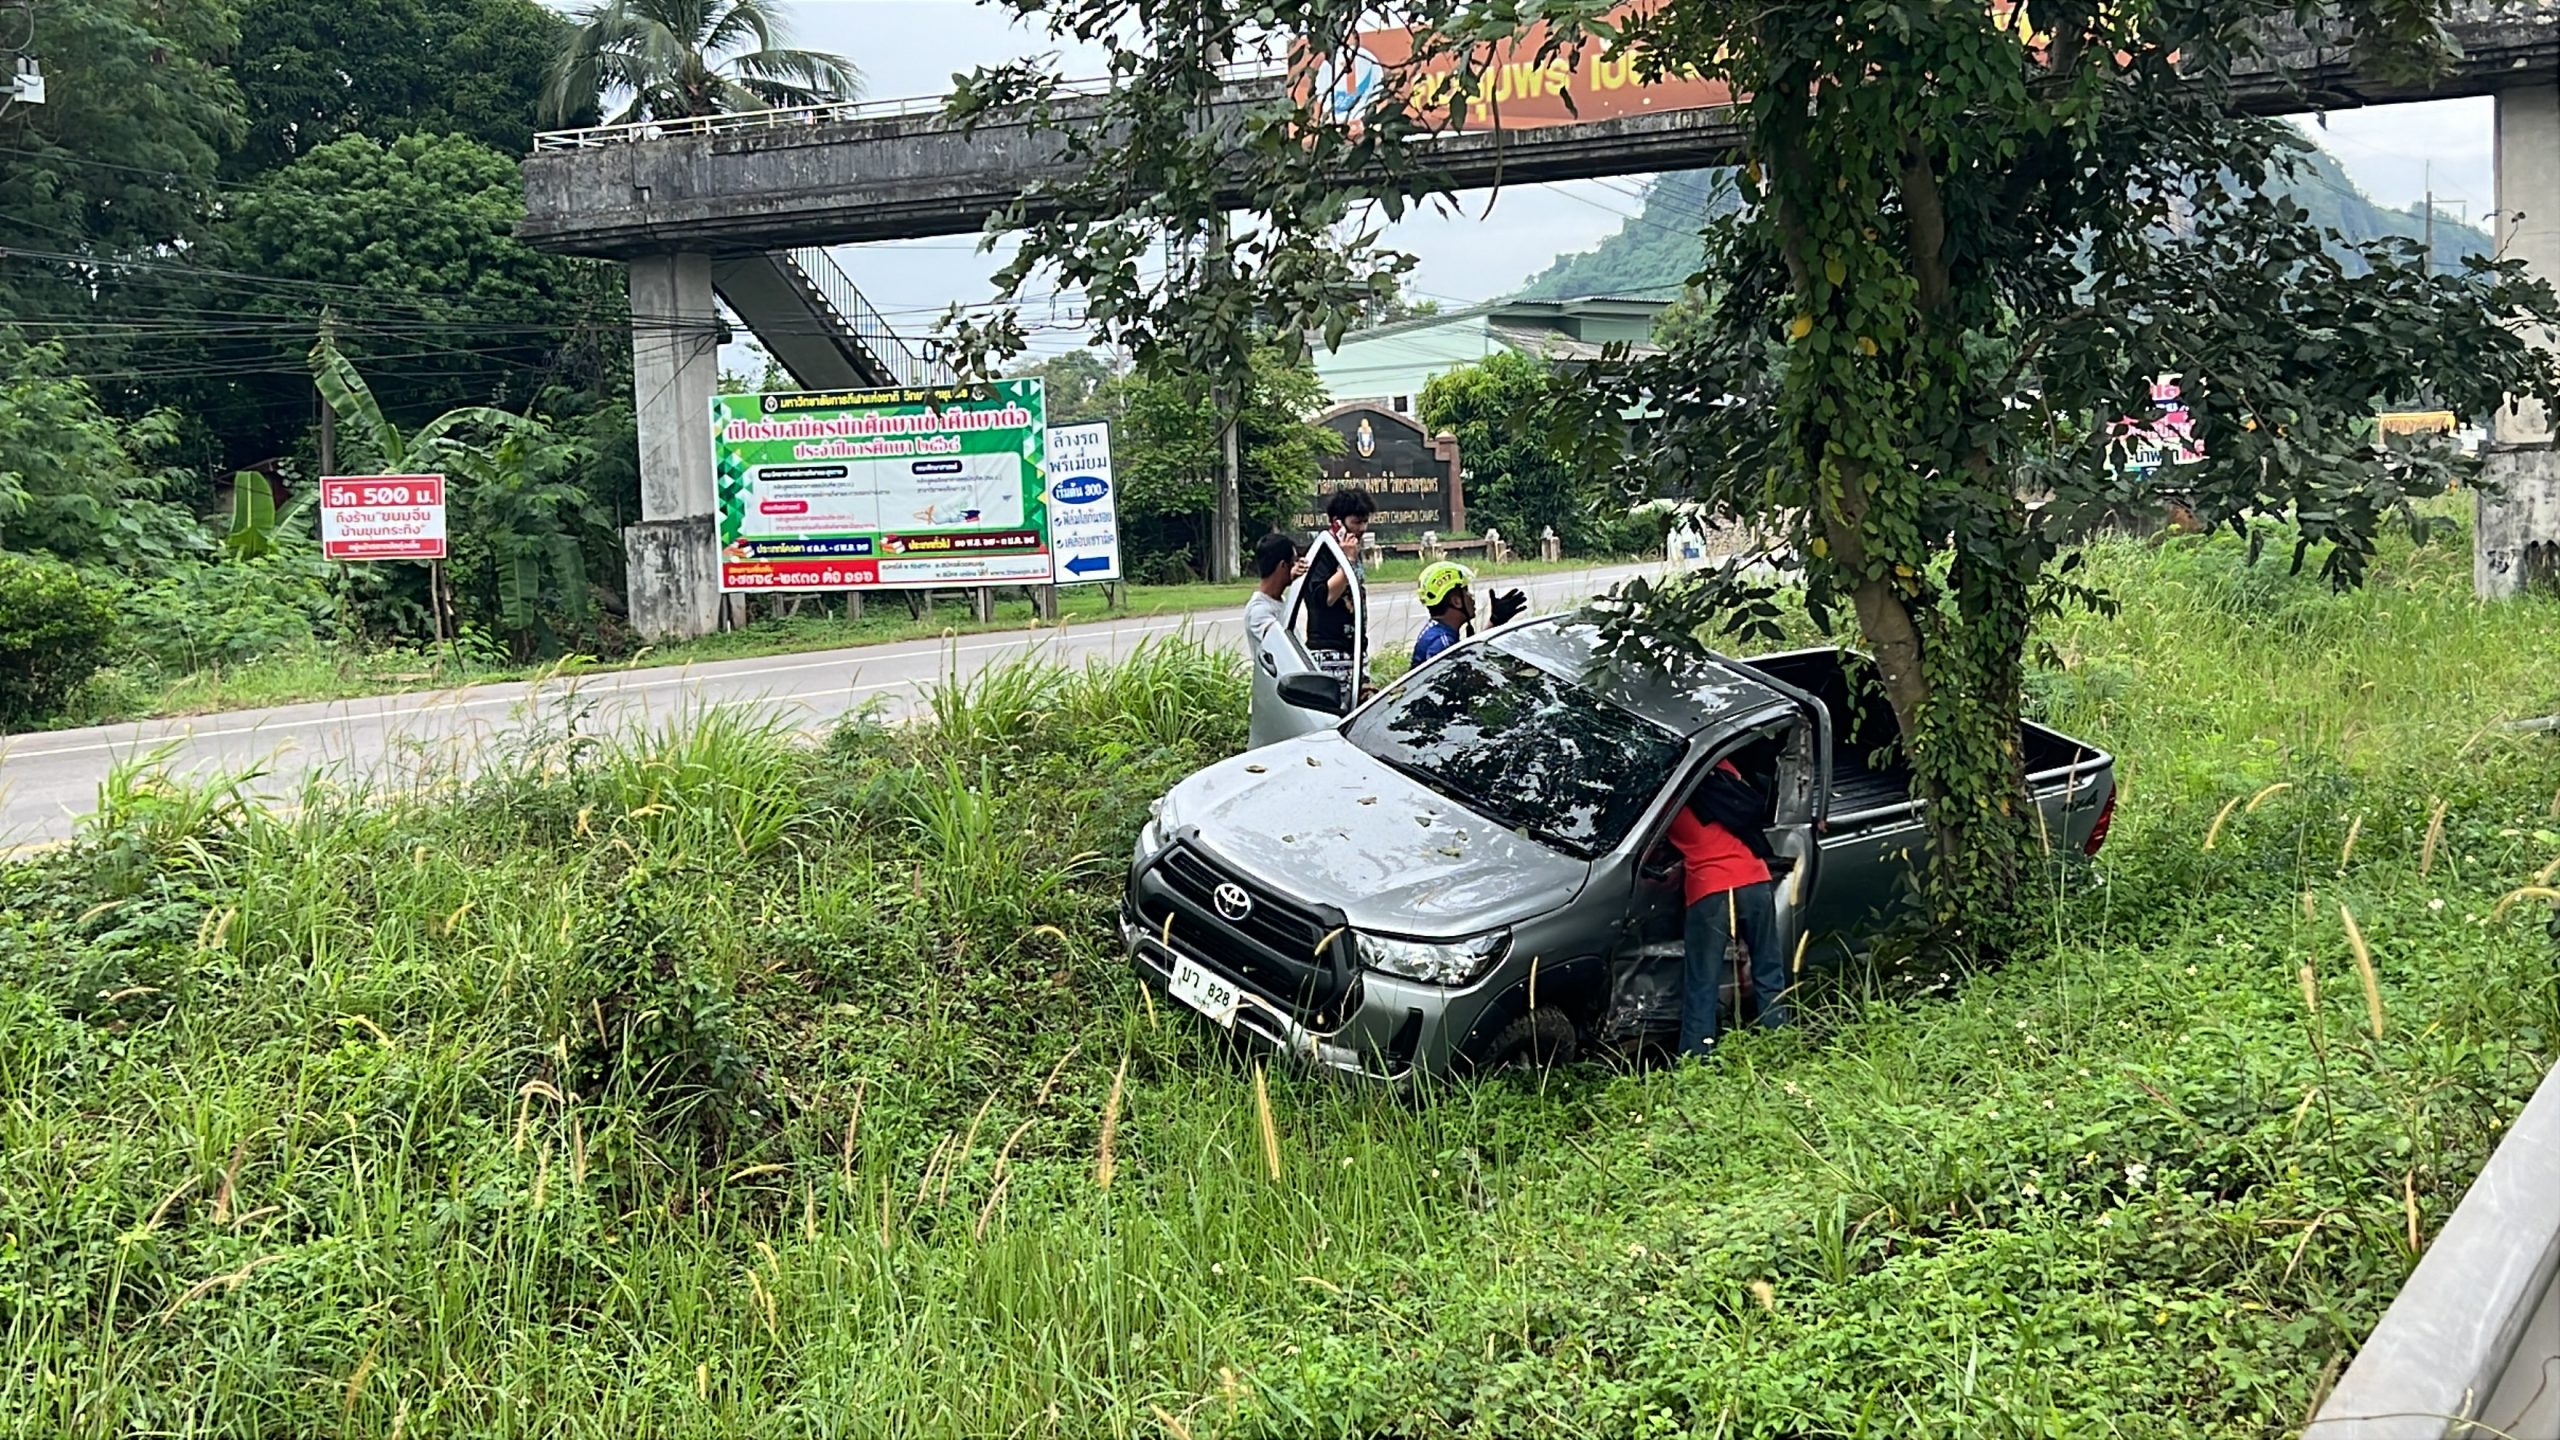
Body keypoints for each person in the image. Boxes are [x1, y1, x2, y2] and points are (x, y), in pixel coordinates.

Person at [1669, 757, 1787, 1057]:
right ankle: (1781, 1045)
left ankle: (1697, 1058)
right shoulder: (1719, 766)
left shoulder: (1665, 793)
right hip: (1755, 877)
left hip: (1709, 888)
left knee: (1702, 982)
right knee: (1769, 970)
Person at [1301, 487, 1373, 701]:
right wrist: (1347, 562)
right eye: (1356, 522)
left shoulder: (1352, 549)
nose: (1361, 529)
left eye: (1365, 522)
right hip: (1330, 651)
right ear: (1337, 522)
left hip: (1355, 647)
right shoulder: (1324, 552)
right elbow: (1324, 597)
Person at [1243, 532, 1303, 664]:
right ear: (1283, 565)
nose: (1298, 566)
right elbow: (1285, 646)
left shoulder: (1280, 601)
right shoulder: (1259, 610)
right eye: (1294, 562)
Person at [1411, 561, 1475, 668]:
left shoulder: (1439, 631)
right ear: (1456, 601)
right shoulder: (1442, 644)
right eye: (1466, 591)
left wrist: (1494, 622)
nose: (1471, 597)